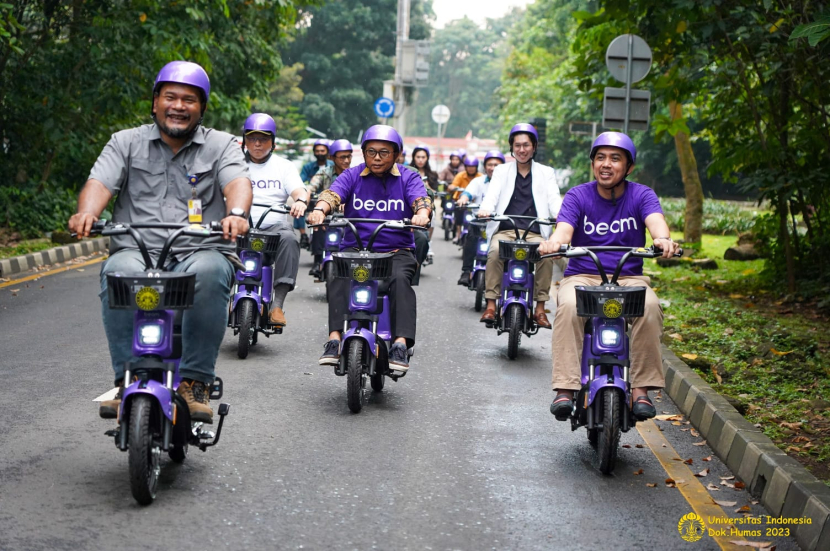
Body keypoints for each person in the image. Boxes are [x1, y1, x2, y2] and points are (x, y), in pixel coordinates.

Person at [68, 61, 252, 423]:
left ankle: (196, 382)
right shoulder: (125, 141)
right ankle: (128, 377)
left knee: (212, 270)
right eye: (170, 97)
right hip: (137, 250)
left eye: (189, 100)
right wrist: (87, 213)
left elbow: (237, 182)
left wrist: (238, 213)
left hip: (199, 249)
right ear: (155, 102)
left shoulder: (222, 145)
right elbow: (100, 182)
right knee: (117, 270)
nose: (179, 106)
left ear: (202, 108)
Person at [539, 132, 680, 421]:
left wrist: (663, 240)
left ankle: (641, 388)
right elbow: (564, 230)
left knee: (650, 306)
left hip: (629, 278)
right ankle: (565, 388)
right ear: (593, 163)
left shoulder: (642, 194)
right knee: (566, 305)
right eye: (600, 157)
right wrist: (555, 243)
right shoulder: (578, 195)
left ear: (628, 167)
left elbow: (657, 224)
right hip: (583, 275)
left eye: (615, 158)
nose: (606, 164)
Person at [307, 125, 431, 373]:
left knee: (400, 280)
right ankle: (334, 338)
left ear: (396, 154)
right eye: (371, 151)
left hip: (396, 252)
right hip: (355, 249)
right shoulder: (352, 175)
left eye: (384, 152)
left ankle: (400, 343)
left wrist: (422, 213)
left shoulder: (409, 177)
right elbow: (332, 194)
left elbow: (421, 199)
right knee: (335, 267)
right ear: (363, 153)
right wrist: (320, 209)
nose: (376, 157)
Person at [477, 123, 561, 329]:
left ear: (534, 147)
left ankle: (540, 309)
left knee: (546, 255)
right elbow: (492, 196)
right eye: (517, 146)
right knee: (495, 251)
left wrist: (562, 217)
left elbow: (554, 200)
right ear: (512, 148)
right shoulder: (500, 171)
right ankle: (490, 304)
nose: (522, 150)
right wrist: (485, 209)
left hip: (535, 230)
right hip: (506, 230)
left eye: (526, 145)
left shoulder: (546, 172)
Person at [243, 113, 308, 326]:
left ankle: (277, 305)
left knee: (290, 238)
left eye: (263, 138)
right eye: (252, 138)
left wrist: (300, 201)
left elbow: (299, 190)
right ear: (245, 140)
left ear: (273, 142)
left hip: (273, 229)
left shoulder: (284, 166)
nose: (258, 143)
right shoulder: (233, 163)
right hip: (238, 227)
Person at [456, 150, 505, 285]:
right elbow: (468, 193)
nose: (492, 168)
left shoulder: (508, 184)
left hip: (501, 224)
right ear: (484, 166)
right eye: (489, 164)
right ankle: (466, 271)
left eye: (496, 165)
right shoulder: (478, 182)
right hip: (480, 223)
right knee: (470, 238)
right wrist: (463, 199)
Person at [308, 138, 353, 277]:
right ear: (332, 157)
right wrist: (304, 199)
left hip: (350, 216)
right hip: (327, 215)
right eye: (342, 157)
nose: (346, 160)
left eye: (348, 156)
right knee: (317, 225)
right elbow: (311, 187)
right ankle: (317, 260)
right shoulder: (324, 173)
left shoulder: (356, 174)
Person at [298, 139, 333, 248]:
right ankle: (303, 234)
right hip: (312, 198)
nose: (319, 153)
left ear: (328, 152)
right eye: (317, 151)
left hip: (331, 200)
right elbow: (301, 182)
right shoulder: (308, 167)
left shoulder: (333, 166)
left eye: (322, 151)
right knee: (299, 206)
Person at [409, 145, 439, 263]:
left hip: (427, 206)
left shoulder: (432, 175)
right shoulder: (407, 171)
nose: (420, 160)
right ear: (414, 157)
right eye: (418, 157)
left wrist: (427, 186)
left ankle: (428, 243)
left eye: (423, 157)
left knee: (433, 217)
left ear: (427, 158)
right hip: (411, 205)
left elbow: (435, 193)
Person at [448, 155, 482, 243]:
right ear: (465, 167)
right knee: (458, 216)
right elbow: (453, 185)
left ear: (476, 167)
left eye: (473, 167)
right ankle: (458, 234)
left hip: (475, 205)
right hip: (461, 203)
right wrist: (452, 187)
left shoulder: (481, 177)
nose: (471, 169)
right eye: (469, 167)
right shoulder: (460, 175)